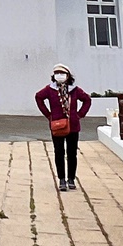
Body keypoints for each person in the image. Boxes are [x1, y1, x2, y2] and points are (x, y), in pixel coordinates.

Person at [35, 64, 91, 192]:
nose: (59, 75)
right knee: (59, 152)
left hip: (73, 126)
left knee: (72, 153)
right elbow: (38, 97)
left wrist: (80, 114)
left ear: (68, 75)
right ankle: (61, 179)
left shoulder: (75, 90)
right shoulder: (50, 90)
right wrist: (49, 115)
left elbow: (87, 100)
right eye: (56, 73)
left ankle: (71, 178)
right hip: (57, 125)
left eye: (62, 73)